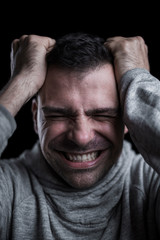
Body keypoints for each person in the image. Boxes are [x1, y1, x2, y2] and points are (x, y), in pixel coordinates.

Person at [0, 32, 159, 240]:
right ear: (35, 117)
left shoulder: (150, 184)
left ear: (129, 116)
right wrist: (20, 83)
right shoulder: (8, 188)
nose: (82, 137)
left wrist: (136, 82)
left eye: (103, 114)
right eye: (58, 115)